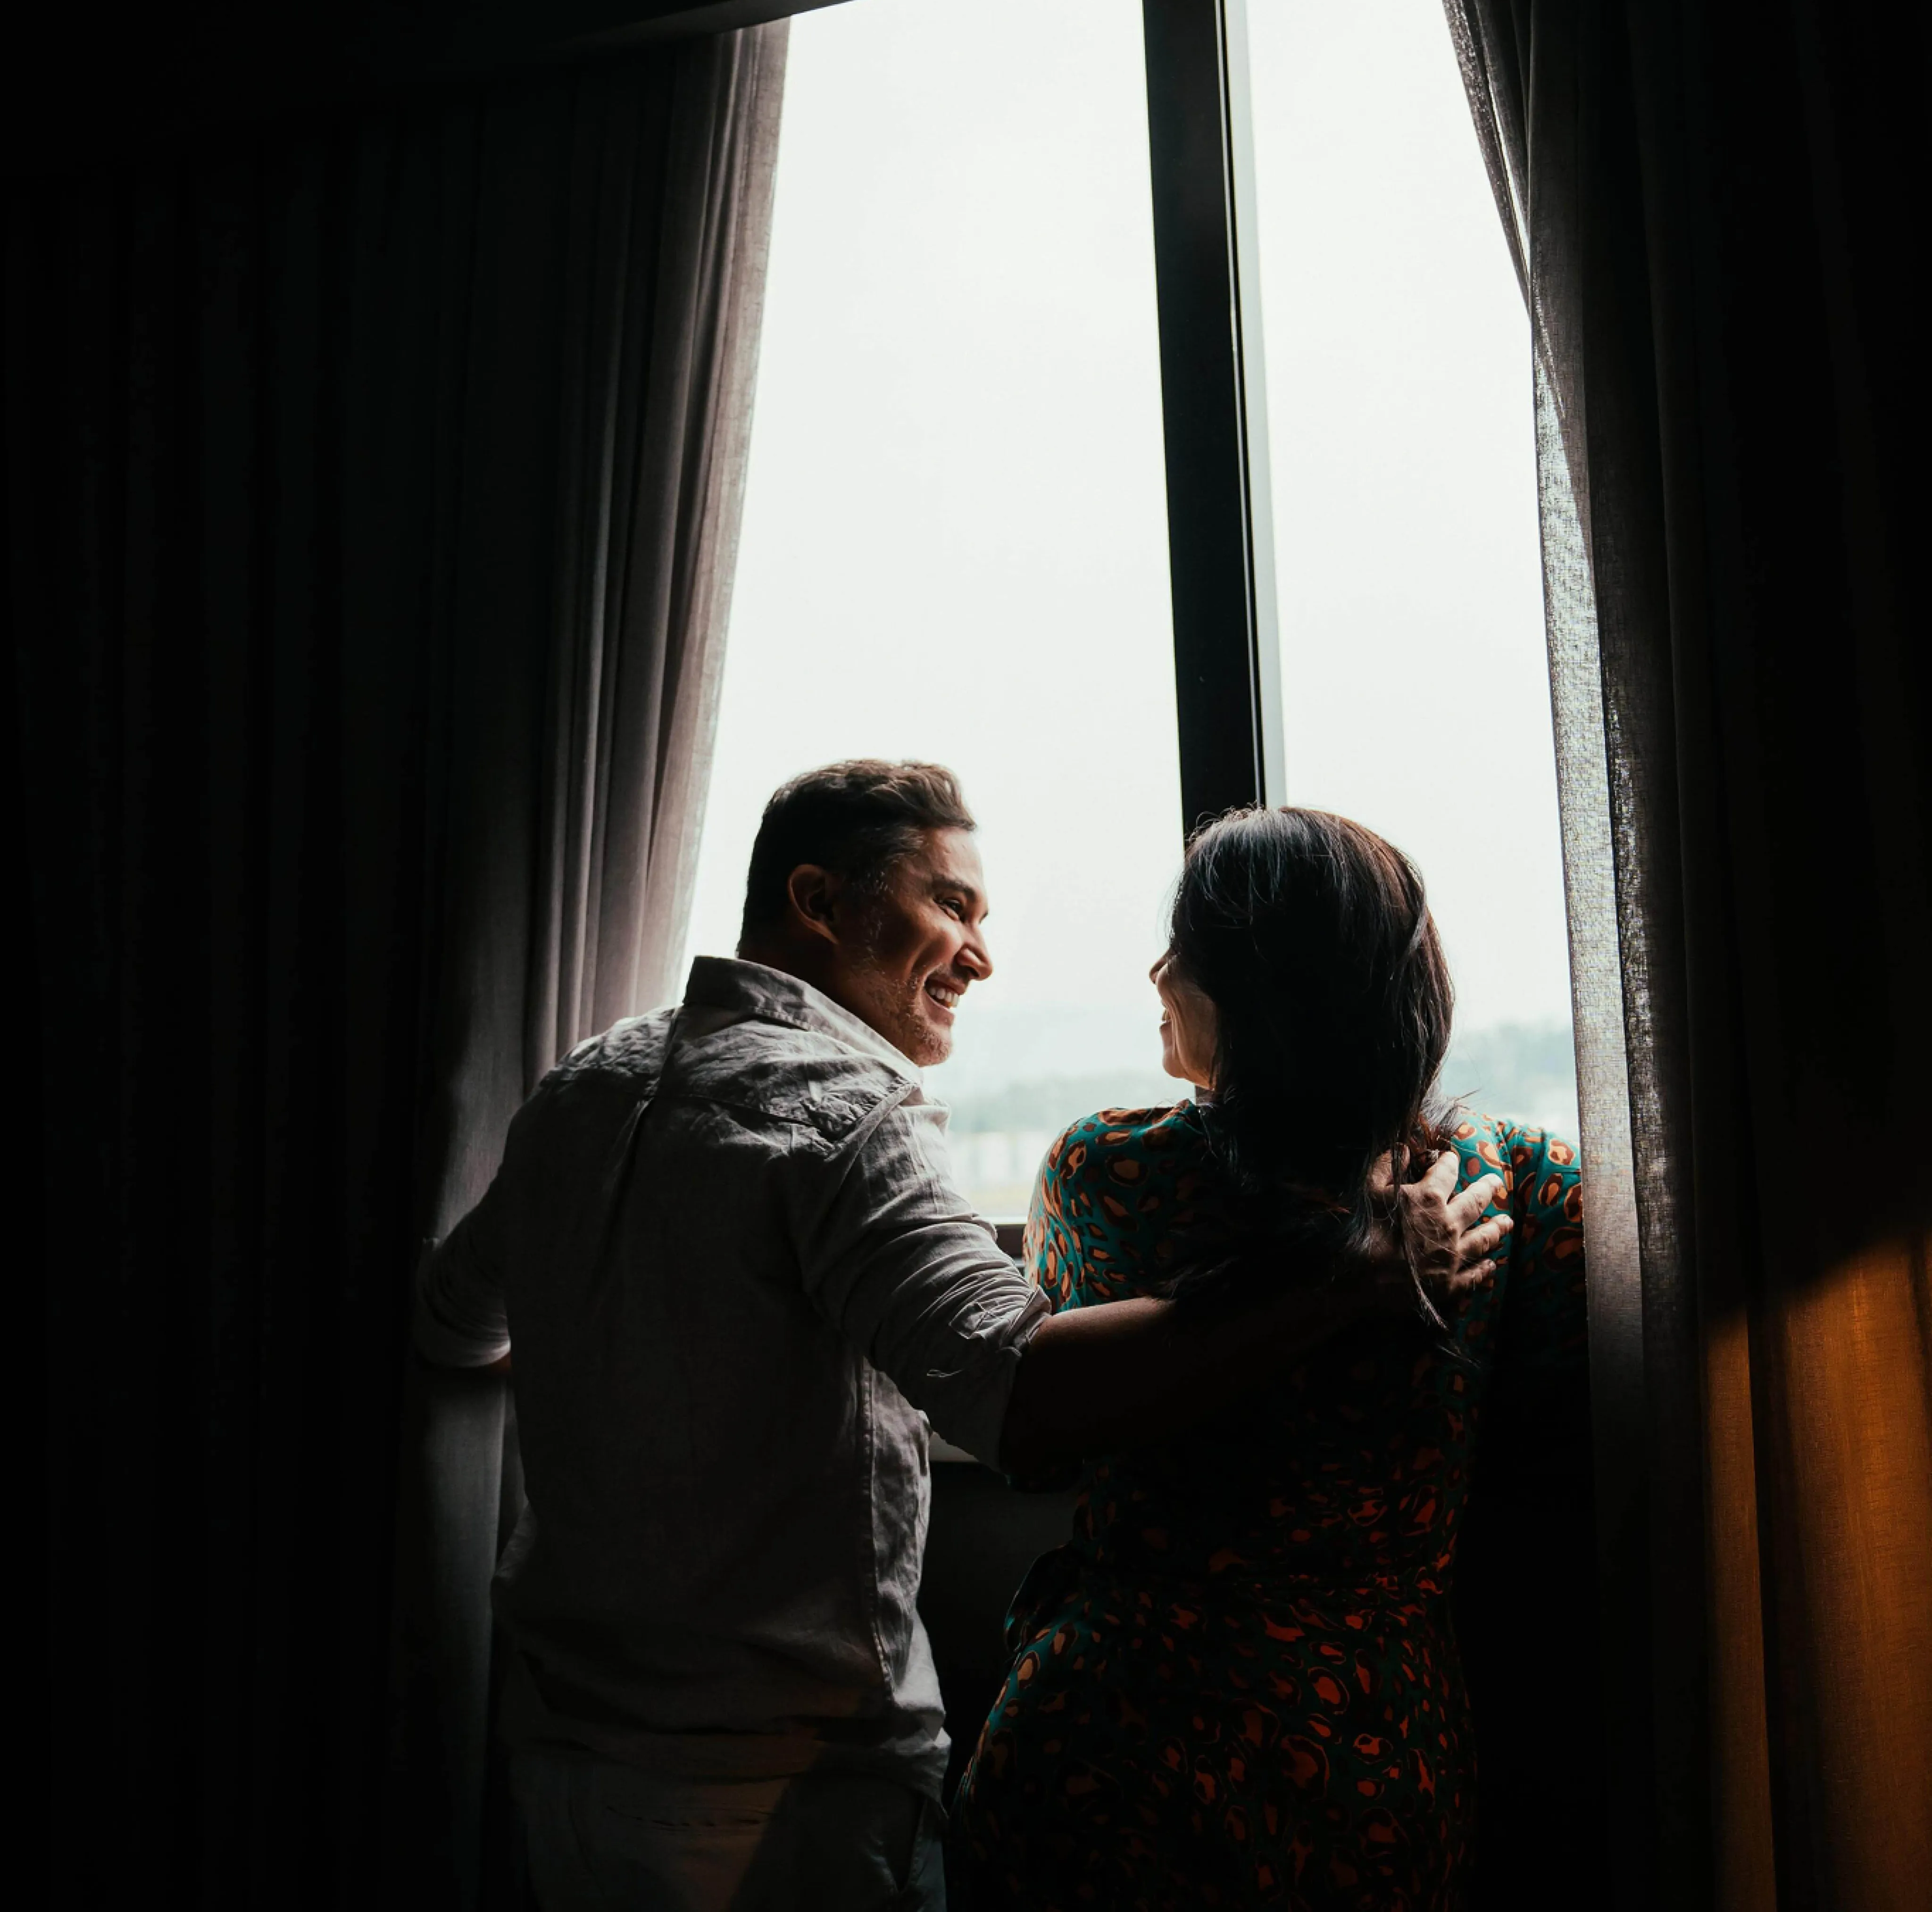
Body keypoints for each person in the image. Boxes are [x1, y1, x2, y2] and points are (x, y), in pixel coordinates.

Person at [415, 764, 1509, 1912]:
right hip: (785, 1800)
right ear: (817, 899)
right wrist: (1343, 1281)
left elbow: (454, 1324)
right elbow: (1023, 1403)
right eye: (952, 905)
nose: (980, 955)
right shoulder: (842, 1116)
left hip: (564, 1764)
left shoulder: (585, 1087)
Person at [950, 806, 1587, 1910]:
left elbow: (1041, 1455)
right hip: (1375, 1753)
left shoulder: (1112, 1173)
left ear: (1256, 990)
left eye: (1183, 945)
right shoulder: (1511, 1181)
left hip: (1117, 1742)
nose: (1156, 968)